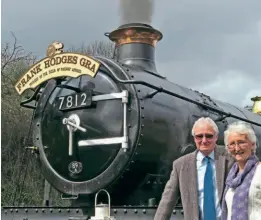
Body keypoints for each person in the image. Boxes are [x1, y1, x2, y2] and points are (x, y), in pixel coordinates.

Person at [154, 117, 234, 220]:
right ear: (194, 138)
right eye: (199, 136)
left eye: (209, 136)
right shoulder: (180, 165)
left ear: (216, 137)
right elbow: (167, 201)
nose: (204, 140)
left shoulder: (231, 158)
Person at [221, 121, 261, 220]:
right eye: (232, 144)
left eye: (241, 142)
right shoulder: (231, 177)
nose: (237, 148)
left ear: (252, 145)